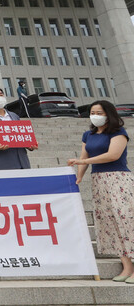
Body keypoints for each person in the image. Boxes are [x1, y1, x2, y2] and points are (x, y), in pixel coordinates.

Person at [68, 100, 134, 283]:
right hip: (99, 182)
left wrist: (84, 163)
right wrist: (78, 178)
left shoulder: (118, 132)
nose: (95, 116)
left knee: (127, 221)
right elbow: (84, 157)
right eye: (92, 112)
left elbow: (113, 155)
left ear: (109, 114)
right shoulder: (88, 135)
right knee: (111, 223)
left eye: (99, 112)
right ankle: (127, 267)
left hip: (118, 180)